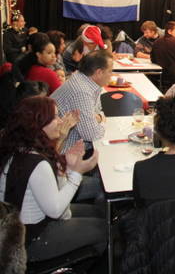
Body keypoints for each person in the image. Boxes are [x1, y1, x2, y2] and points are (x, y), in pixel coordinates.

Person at [0, 96, 105, 263]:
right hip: (30, 240)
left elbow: (56, 198)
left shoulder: (20, 149)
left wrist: (68, 167)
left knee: (99, 213)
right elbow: (56, 211)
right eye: (55, 117)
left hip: (15, 230)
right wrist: (76, 173)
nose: (61, 121)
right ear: (38, 124)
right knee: (105, 228)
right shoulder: (36, 162)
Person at [52, 50, 113, 153]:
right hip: (65, 152)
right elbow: (91, 134)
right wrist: (101, 120)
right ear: (99, 72)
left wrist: (98, 118)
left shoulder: (86, 81)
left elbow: (97, 112)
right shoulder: (81, 91)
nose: (112, 75)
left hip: (76, 145)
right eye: (110, 71)